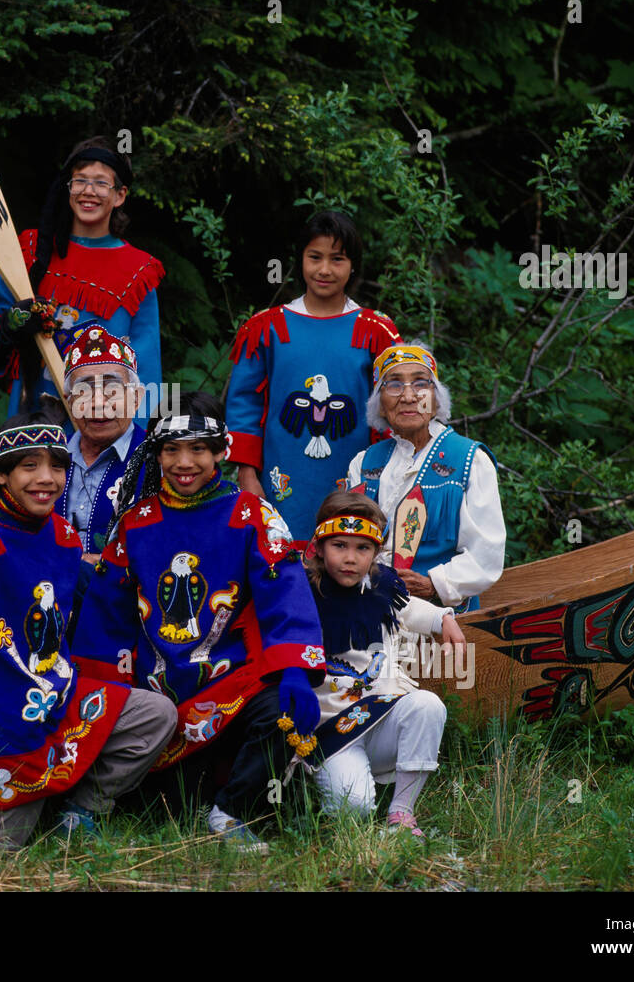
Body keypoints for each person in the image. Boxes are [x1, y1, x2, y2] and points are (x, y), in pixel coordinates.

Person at [0, 413, 176, 850]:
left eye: (57, 466)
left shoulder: (66, 539)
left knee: (157, 716)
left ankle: (78, 814)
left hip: (57, 696)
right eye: (29, 466)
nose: (46, 479)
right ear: (0, 473)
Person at [73, 392, 324, 853]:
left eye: (198, 449)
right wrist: (101, 695)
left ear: (221, 453)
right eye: (172, 449)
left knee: (282, 709)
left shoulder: (252, 515)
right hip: (158, 699)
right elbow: (106, 620)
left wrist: (294, 669)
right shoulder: (134, 523)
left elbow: (285, 593)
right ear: (157, 453)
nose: (184, 462)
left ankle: (230, 816)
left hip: (231, 685)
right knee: (164, 807)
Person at [226, 210, 402, 541]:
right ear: (300, 260)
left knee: (347, 563)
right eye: (315, 257)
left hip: (358, 483)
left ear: (353, 266)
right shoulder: (267, 328)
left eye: (337, 259)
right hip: (279, 480)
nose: (324, 269)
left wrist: (383, 480)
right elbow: (244, 406)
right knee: (280, 568)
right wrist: (247, 474)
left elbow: (391, 413)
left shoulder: (376, 331)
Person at [302, 491, 463, 837]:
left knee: (426, 705)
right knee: (352, 810)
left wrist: (444, 618)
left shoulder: (381, 585)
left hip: (384, 713)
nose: (350, 558)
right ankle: (333, 784)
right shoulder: (304, 592)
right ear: (318, 546)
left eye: (362, 548)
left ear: (376, 552)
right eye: (339, 546)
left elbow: (411, 608)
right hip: (333, 729)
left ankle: (401, 813)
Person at [0, 136, 165, 412]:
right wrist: (12, 324)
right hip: (34, 414)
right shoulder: (31, 251)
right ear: (68, 188)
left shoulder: (138, 271)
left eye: (101, 183)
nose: (88, 191)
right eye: (80, 180)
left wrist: (137, 443)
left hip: (104, 421)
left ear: (120, 195)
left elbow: (146, 370)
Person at [345, 342, 506, 612]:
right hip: (367, 614)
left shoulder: (470, 460)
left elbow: (486, 554)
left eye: (421, 383)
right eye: (394, 384)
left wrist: (437, 583)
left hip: (444, 620)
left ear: (436, 398)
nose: (408, 396)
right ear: (380, 404)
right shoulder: (363, 464)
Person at [57, 325, 149, 562]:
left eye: (112, 389)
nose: (98, 403)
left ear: (136, 398)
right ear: (69, 402)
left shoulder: (159, 458)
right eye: (84, 391)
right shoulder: (48, 457)